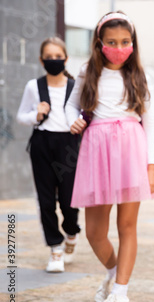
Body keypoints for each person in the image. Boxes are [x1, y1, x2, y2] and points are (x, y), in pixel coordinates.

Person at [66, 11, 154, 302]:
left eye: (125, 42)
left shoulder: (139, 77)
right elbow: (70, 105)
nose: (119, 47)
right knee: (94, 230)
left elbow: (150, 122)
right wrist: (74, 120)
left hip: (130, 149)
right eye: (111, 42)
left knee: (127, 226)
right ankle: (113, 274)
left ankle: (120, 293)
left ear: (132, 43)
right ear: (99, 43)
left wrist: (152, 166)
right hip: (96, 150)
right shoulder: (86, 72)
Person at [16, 37, 80, 273]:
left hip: (68, 144)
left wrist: (80, 122)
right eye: (49, 57)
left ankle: (71, 230)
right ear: (42, 60)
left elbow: (86, 114)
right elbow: (21, 116)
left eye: (58, 56)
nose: (54, 60)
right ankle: (55, 248)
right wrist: (36, 113)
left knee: (69, 199)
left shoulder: (76, 87)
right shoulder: (34, 86)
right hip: (42, 142)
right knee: (45, 199)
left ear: (66, 58)